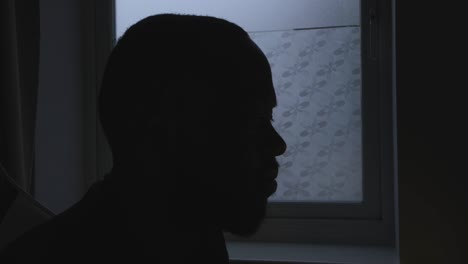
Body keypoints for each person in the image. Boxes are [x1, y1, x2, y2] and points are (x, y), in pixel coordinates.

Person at [0, 14, 286, 263]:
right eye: (250, 120)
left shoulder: (192, 239)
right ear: (161, 130)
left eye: (269, 119)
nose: (278, 145)